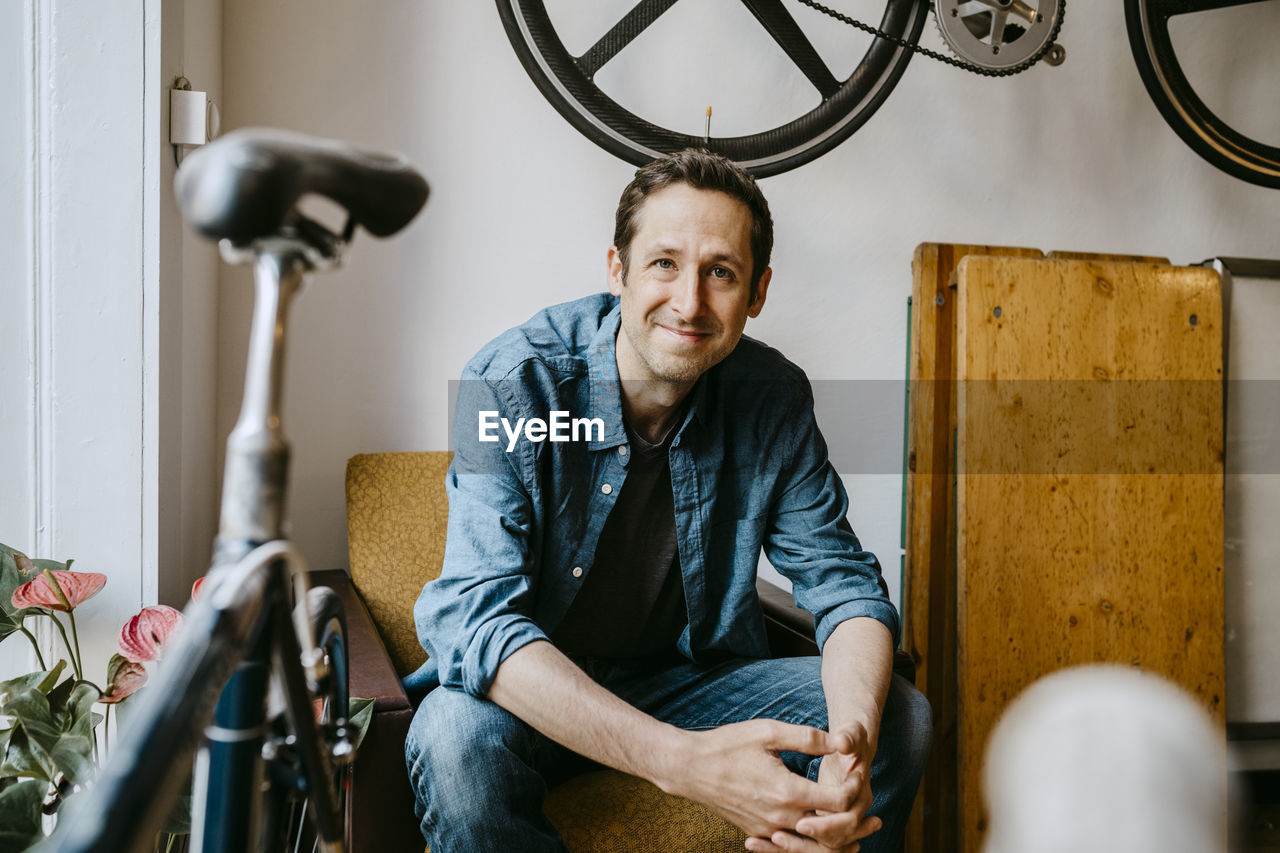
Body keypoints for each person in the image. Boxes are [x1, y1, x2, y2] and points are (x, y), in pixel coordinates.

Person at [404, 149, 931, 853]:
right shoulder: (514, 384)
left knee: (898, 715)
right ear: (618, 268)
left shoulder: (770, 398)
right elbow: (476, 618)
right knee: (452, 741)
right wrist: (686, 766)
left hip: (689, 685)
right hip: (535, 691)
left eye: (721, 272)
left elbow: (846, 588)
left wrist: (850, 744)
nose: (689, 303)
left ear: (758, 291)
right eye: (664, 264)